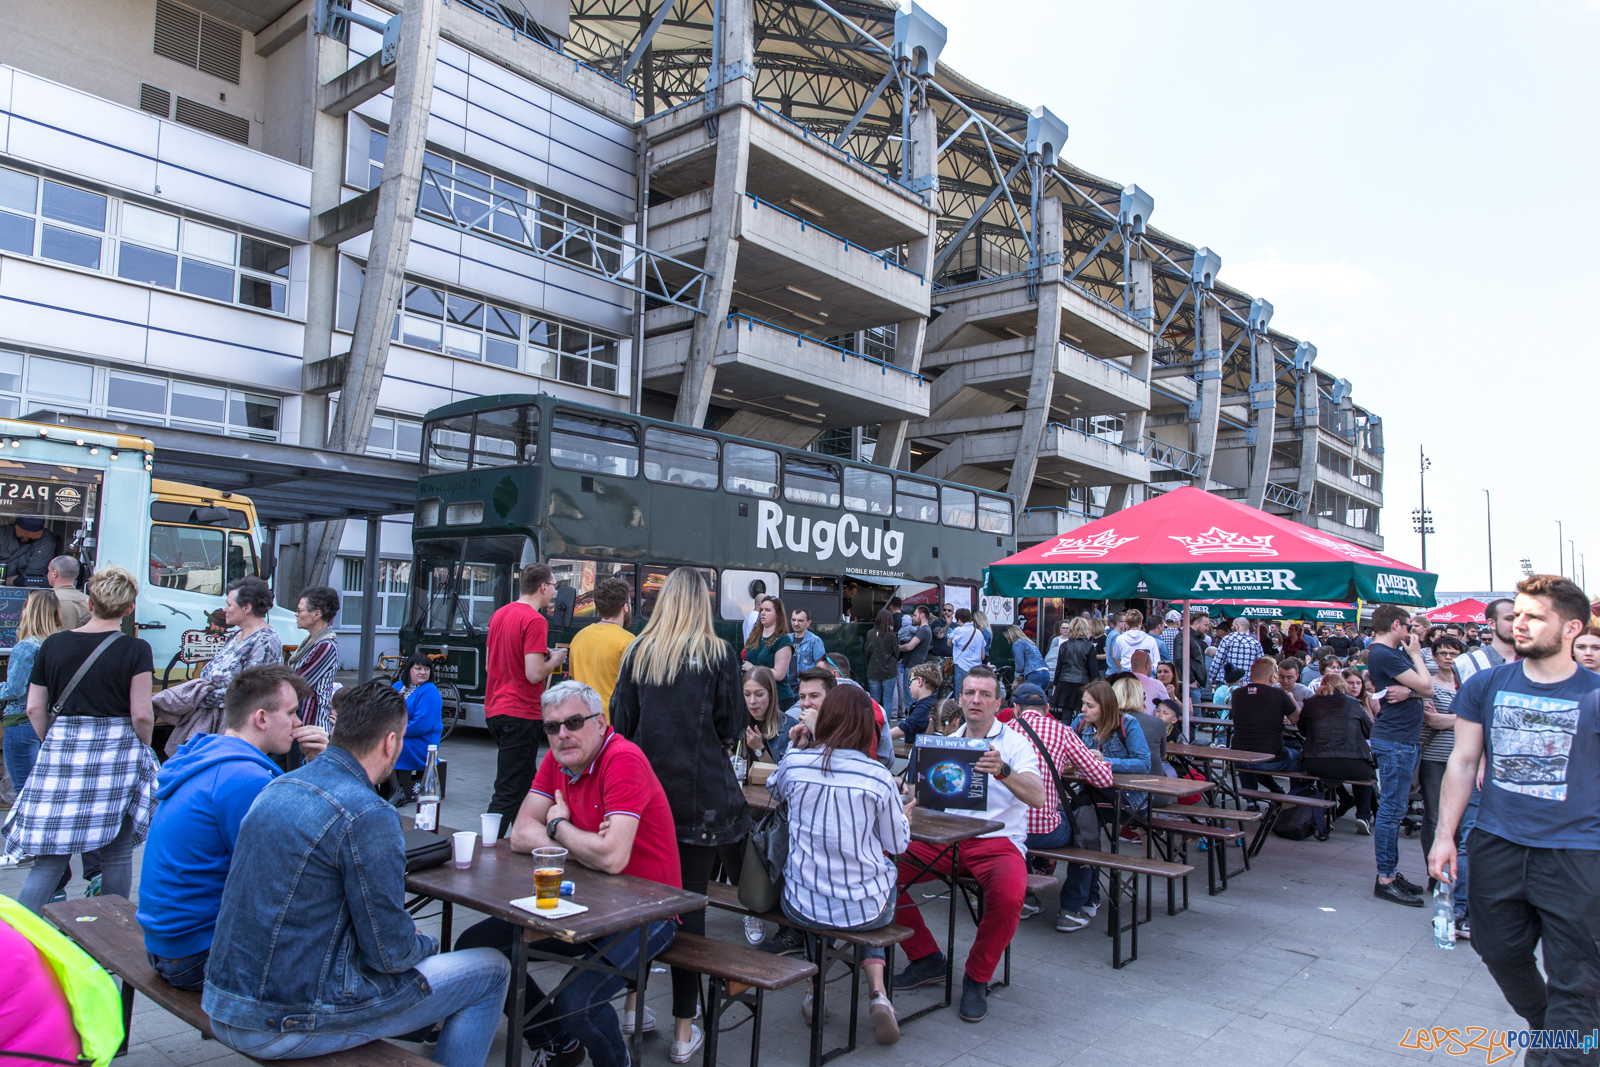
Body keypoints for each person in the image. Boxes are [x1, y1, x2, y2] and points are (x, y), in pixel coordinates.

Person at [203, 680, 510, 1067]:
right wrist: (426, 943)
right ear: (391, 743)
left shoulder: (278, 785)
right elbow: (390, 954)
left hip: (225, 1002)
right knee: (492, 969)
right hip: (284, 1020)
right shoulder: (368, 813)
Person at [455, 681, 682, 1067]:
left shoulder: (623, 759)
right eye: (552, 726)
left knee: (579, 1004)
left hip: (650, 908)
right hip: (583, 902)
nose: (562, 734)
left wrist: (558, 827)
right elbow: (521, 834)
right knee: (476, 946)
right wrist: (585, 845)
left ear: (600, 722)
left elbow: (611, 858)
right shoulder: (557, 761)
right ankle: (558, 1041)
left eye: (574, 722)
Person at [1427, 576, 1600, 1060]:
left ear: (1571, 628)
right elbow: (1462, 761)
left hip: (1577, 853)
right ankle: (1549, 1027)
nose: (1519, 624)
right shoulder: (1486, 683)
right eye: (1517, 614)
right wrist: (1444, 837)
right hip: (1497, 843)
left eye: (1534, 616)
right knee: (1495, 947)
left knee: (1577, 978)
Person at [611, 567, 747, 1062]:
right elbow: (730, 724)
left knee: (641, 905)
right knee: (690, 911)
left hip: (642, 797)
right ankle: (684, 1033)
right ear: (702, 604)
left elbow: (620, 724)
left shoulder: (638, 653)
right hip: (700, 800)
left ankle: (631, 1007)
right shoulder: (718, 655)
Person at [136, 665, 327, 989]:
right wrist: (324, 769)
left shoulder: (211, 756)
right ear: (262, 718)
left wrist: (310, 765)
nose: (298, 723)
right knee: (336, 936)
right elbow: (293, 867)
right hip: (196, 954)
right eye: (292, 712)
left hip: (169, 942)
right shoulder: (242, 778)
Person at [890, 666, 1045, 1024]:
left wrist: (1003, 771)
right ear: (960, 699)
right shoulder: (949, 740)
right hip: (944, 837)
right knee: (880, 869)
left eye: (985, 695)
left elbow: (1038, 797)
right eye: (970, 693)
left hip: (996, 841)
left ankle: (977, 976)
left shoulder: (1014, 743)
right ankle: (927, 957)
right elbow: (920, 794)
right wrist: (909, 792)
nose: (976, 700)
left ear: (998, 703)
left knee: (1008, 896)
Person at [4, 566, 156, 913]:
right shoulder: (136, 649)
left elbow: (33, 708)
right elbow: (143, 714)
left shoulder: (53, 644)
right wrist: (143, 745)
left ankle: (22, 938)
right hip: (116, 756)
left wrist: (54, 741)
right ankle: (113, 929)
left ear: (90, 602)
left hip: (61, 753)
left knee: (51, 856)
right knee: (116, 852)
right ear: (129, 608)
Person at [768, 685, 912, 1044]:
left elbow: (774, 786)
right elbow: (898, 843)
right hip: (864, 907)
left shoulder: (797, 763)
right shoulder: (877, 776)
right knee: (878, 880)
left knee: (817, 892)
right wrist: (904, 815)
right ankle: (878, 992)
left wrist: (797, 744)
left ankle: (815, 992)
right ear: (868, 725)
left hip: (801, 904)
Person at [1005, 683, 1115, 931]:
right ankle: (1072, 908)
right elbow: (1102, 779)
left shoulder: (1003, 731)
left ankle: (1026, 899)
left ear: (1015, 709)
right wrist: (1102, 761)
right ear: (1046, 708)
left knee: (1022, 824)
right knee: (1086, 823)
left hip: (1007, 829)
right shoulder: (1061, 731)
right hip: (1047, 833)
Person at [1058, 679, 1152, 925]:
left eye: (1089, 706)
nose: (1083, 710)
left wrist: (1105, 761)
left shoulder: (1127, 724)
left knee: (1081, 822)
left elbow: (1144, 763)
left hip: (1125, 799)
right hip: (1090, 795)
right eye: (1083, 704)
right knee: (1082, 823)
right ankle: (1086, 898)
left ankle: (1082, 900)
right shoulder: (1079, 725)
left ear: (1105, 706)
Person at [485, 562, 567, 836]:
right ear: (543, 587)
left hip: (495, 710)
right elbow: (534, 674)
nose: (555, 592)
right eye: (554, 586)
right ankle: (488, 845)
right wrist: (553, 660)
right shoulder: (535, 620)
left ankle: (532, 836)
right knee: (508, 790)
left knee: (528, 784)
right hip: (521, 712)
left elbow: (489, 665)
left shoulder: (499, 614)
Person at [1367, 603, 1436, 906]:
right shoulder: (1384, 652)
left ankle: (1390, 873)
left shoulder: (1389, 653)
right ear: (1397, 624)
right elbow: (1429, 687)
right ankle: (1385, 878)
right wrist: (1417, 656)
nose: (1412, 632)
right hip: (1395, 741)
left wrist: (1411, 691)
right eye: (1408, 626)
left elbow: (1419, 689)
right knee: (1391, 812)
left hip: (1399, 739)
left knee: (1393, 811)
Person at [191, 577, 284, 741]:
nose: (224, 609)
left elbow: (251, 691)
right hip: (220, 719)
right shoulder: (236, 636)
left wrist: (201, 695)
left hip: (240, 728)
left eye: (229, 604)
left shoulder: (265, 641)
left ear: (246, 608)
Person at [1299, 670, 1376, 834]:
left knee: (1328, 771)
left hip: (1315, 763)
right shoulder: (1353, 704)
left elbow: (1302, 730)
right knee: (1367, 773)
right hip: (1352, 763)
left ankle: (1328, 814)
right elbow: (1370, 731)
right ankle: (1363, 815)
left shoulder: (1310, 703)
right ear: (1343, 688)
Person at [1418, 635, 1466, 897]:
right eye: (1443, 653)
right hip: (1433, 758)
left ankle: (1456, 872)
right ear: (1434, 656)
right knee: (1434, 815)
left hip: (1462, 760)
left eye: (1453, 653)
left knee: (1460, 819)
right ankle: (1434, 873)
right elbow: (1432, 721)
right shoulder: (1429, 686)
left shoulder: (1468, 685)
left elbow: (1442, 719)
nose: (1448, 657)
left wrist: (1447, 717)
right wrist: (1467, 717)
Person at [1, 590, 61, 797]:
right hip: (48, 721)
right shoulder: (56, 645)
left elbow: (15, 689)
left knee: (23, 791)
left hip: (20, 721)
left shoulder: (26, 647)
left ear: (30, 612)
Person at [1231, 657, 1302, 793]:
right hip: (1271, 759)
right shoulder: (1278, 694)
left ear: (1251, 676)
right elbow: (1298, 721)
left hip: (1238, 757)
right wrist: (1291, 701)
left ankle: (1254, 801)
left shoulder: (1237, 694)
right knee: (1301, 758)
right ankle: (1294, 799)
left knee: (1250, 760)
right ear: (1271, 677)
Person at [569, 577, 634, 716]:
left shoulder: (579, 637)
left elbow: (574, 678)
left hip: (584, 718)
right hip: (612, 720)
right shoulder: (628, 641)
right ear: (625, 607)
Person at [287, 584, 340, 733]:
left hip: (310, 725)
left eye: (299, 610)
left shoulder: (325, 646)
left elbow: (297, 684)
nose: (296, 614)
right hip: (300, 723)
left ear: (316, 615)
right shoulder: (311, 641)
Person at [392, 652, 443, 774]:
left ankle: (395, 789)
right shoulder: (398, 686)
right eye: (418, 668)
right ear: (408, 670)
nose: (423, 672)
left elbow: (420, 726)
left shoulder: (430, 691)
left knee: (387, 745)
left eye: (426, 669)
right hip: (400, 735)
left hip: (421, 741)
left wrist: (392, 731)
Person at [743, 596, 795, 708]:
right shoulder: (756, 635)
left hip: (778, 699)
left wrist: (753, 669)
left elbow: (779, 674)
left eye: (768, 610)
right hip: (756, 697)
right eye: (761, 610)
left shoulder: (783, 640)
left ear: (777, 614)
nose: (763, 613)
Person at [739, 665, 797, 766]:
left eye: (759, 695)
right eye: (747, 694)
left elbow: (780, 777)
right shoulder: (737, 725)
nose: (752, 701)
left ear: (770, 694)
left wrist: (759, 749)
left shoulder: (789, 727)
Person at [1455, 598, 1515, 684]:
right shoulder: (1467, 662)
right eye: (1510, 618)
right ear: (1492, 623)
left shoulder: (1533, 660)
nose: (1518, 623)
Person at [1050, 617, 1097, 717]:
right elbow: (1093, 670)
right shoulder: (1089, 646)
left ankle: (1066, 732)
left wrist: (1055, 683)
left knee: (1066, 716)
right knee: (1084, 715)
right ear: (1085, 629)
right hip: (1082, 683)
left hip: (1065, 682)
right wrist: (1097, 684)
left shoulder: (1064, 645)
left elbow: (1059, 667)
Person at [0, 516, 60, 586]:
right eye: (22, 533)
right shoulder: (3, 533)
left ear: (43, 528)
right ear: (16, 526)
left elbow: (31, 577)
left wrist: (4, 580)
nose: (25, 538)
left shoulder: (47, 542)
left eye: (32, 535)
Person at [864, 609, 902, 720]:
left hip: (873, 669)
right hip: (889, 670)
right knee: (887, 700)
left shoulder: (870, 633)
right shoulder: (891, 635)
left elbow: (867, 651)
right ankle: (886, 726)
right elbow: (897, 653)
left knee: (874, 700)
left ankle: (874, 725)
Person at [892, 663, 941, 745]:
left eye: (910, 681)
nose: (909, 686)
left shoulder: (925, 707)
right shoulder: (930, 703)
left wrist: (878, 737)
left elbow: (905, 728)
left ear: (919, 681)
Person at [1209, 617, 1264, 685]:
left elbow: (1218, 660)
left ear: (1237, 626)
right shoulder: (1255, 643)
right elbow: (1260, 665)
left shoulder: (1227, 639)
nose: (1231, 628)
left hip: (1225, 681)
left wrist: (1211, 677)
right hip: (1246, 682)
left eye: (1233, 625)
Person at [898, 604, 933, 710]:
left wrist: (897, 647)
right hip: (915, 666)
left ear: (922, 615)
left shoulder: (923, 630)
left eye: (915, 615)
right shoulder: (925, 630)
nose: (913, 618)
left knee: (910, 699)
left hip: (912, 667)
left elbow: (909, 646)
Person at [45, 556, 89, 629]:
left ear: (54, 573)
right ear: (77, 574)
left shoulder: (44, 600)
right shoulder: (90, 601)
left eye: (48, 570)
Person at [788, 607, 826, 687]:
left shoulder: (815, 641)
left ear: (808, 623)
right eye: (793, 620)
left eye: (800, 620)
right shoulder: (786, 639)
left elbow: (822, 666)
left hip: (806, 686)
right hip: (787, 688)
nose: (796, 623)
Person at [1113, 609, 1161, 673]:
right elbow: (1156, 661)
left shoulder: (1120, 639)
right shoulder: (1150, 640)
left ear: (1127, 623)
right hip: (1146, 672)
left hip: (1127, 673)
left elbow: (1116, 656)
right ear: (1141, 622)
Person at [948, 608, 982, 696]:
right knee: (974, 694)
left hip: (961, 667)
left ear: (959, 620)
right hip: (976, 668)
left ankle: (960, 710)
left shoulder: (958, 630)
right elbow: (982, 656)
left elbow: (949, 643)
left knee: (960, 695)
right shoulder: (978, 633)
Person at [1005, 625, 1049, 691]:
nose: (1008, 640)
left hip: (1034, 673)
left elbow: (1019, 664)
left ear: (1011, 635)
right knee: (1039, 698)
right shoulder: (1029, 642)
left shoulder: (1017, 643)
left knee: (1030, 698)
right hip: (1046, 673)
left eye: (1008, 637)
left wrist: (1016, 680)